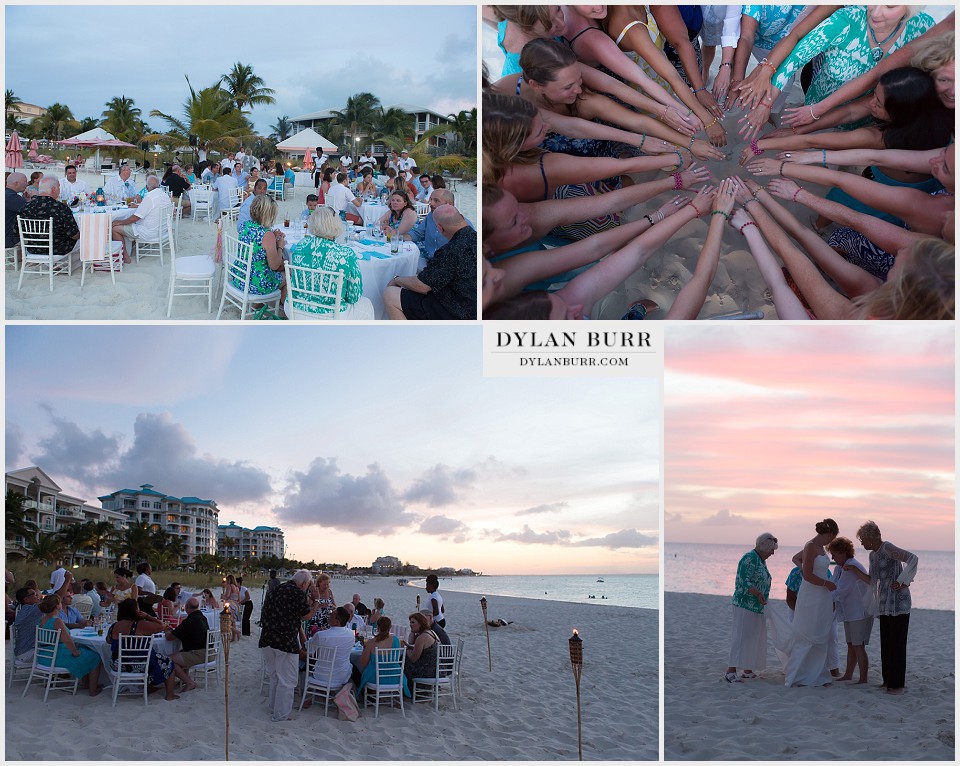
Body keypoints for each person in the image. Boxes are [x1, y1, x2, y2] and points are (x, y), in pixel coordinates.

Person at [771, 519, 840, 687]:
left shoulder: (821, 548)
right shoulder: (810, 546)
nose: (831, 541)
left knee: (821, 632)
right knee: (807, 632)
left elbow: (802, 562)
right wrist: (826, 583)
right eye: (832, 537)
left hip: (822, 597)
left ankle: (818, 673)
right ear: (829, 533)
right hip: (811, 595)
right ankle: (801, 673)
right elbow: (807, 575)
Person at [853, 521, 917, 695]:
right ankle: (887, 680)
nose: (862, 543)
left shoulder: (887, 548)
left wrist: (903, 580)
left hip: (898, 603)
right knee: (886, 642)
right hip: (884, 604)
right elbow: (872, 580)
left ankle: (896, 685)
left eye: (863, 539)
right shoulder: (873, 555)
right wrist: (854, 571)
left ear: (871, 538)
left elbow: (912, 558)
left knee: (897, 643)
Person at [384, 205, 476, 320]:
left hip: (455, 310)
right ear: (462, 217)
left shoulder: (451, 250)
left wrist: (397, 279)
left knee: (390, 294)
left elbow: (423, 286)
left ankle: (406, 336)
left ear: (440, 228)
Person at [259, 570, 322, 722]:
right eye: (308, 586)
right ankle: (281, 715)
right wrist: (316, 601)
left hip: (267, 638)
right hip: (285, 641)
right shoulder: (296, 593)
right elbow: (306, 615)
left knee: (275, 676)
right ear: (304, 584)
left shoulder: (275, 590)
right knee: (287, 681)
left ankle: (274, 708)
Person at [288, 206, 370, 318]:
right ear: (336, 225)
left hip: (295, 309)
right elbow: (354, 296)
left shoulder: (301, 245)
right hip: (329, 314)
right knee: (367, 305)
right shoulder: (346, 254)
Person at [107, 597, 193, 700]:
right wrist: (148, 616)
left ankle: (150, 687)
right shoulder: (140, 625)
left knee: (153, 658)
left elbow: (108, 640)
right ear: (135, 611)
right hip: (140, 665)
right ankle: (169, 694)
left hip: (118, 664)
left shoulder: (114, 626)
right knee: (169, 662)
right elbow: (162, 625)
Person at [725, 532, 777, 683]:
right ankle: (731, 670)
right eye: (771, 549)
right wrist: (757, 593)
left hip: (756, 606)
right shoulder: (749, 558)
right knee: (741, 636)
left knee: (752, 636)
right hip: (745, 603)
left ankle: (747, 669)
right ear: (764, 547)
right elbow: (743, 581)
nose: (773, 553)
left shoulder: (760, 560)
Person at [826, 537, 872, 684]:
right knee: (851, 644)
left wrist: (824, 601)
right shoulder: (839, 568)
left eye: (834, 554)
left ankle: (863, 678)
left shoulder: (852, 566)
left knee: (858, 645)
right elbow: (832, 585)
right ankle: (848, 674)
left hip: (859, 612)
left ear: (843, 552)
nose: (832, 557)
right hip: (848, 612)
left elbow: (840, 591)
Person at [36, 595, 102, 696]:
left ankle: (85, 684)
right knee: (95, 656)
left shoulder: (42, 619)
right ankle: (93, 690)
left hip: (44, 655)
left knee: (85, 650)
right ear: (57, 606)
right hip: (56, 656)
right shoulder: (57, 621)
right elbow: (68, 641)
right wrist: (76, 652)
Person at [485, 4, 567, 76]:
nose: (562, 24)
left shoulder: (510, 11)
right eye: (548, 26)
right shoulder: (531, 69)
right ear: (526, 28)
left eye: (558, 9)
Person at [235, 194, 286, 302]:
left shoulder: (245, 226)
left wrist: (272, 236)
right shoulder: (267, 235)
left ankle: (259, 306)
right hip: (256, 284)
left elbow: (256, 243)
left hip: (240, 277)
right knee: (289, 273)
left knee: (282, 266)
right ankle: (283, 308)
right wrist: (280, 246)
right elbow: (274, 265)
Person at [111, 175, 172, 264]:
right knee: (129, 225)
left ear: (147, 187)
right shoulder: (164, 195)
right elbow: (151, 208)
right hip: (162, 230)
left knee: (115, 228)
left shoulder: (150, 197)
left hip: (149, 233)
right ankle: (130, 248)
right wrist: (138, 206)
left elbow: (135, 218)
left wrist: (119, 222)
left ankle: (125, 257)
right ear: (158, 185)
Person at [18, 177, 80, 256]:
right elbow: (73, 235)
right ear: (53, 189)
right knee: (82, 242)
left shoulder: (25, 207)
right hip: (57, 249)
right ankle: (73, 268)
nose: (59, 190)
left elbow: (17, 232)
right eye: (59, 187)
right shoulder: (61, 208)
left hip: (33, 249)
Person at [356, 616, 410, 700]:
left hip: (376, 677)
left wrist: (365, 649)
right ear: (390, 627)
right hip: (395, 676)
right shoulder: (396, 640)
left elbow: (363, 663)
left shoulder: (372, 642)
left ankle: (371, 696)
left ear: (378, 627)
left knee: (362, 673)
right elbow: (396, 657)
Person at [306, 606, 356, 688]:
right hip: (342, 677)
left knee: (303, 654)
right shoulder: (351, 634)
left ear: (337, 622)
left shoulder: (321, 635)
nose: (329, 616)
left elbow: (308, 649)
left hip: (321, 676)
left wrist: (300, 629)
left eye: (331, 615)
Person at [164, 596, 208, 676]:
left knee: (167, 660)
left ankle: (188, 682)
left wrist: (167, 629)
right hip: (209, 652)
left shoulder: (189, 621)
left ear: (187, 607)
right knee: (181, 652)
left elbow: (169, 637)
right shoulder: (203, 618)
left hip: (199, 654)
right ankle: (185, 678)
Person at [12, 585, 45, 663]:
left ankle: (59, 673)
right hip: (26, 653)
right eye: (34, 594)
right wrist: (67, 580)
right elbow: (52, 601)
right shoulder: (31, 611)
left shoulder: (25, 610)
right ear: (26, 599)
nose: (37, 595)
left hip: (22, 651)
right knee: (61, 651)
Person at [403, 611, 439, 681]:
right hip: (436, 670)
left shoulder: (422, 637)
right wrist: (409, 645)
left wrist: (406, 648)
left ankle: (404, 690)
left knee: (401, 663)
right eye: (410, 622)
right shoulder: (431, 632)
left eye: (413, 622)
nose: (410, 625)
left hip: (427, 673)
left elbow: (413, 659)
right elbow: (423, 649)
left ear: (420, 623)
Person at [305, 573, 336, 637]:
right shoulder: (314, 591)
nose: (326, 586)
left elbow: (334, 605)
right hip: (315, 619)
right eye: (324, 584)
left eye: (328, 584)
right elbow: (308, 605)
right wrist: (318, 605)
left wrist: (331, 607)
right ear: (319, 583)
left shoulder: (329, 592)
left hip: (327, 620)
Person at [5, 171, 27, 248]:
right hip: (8, 238)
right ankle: (23, 259)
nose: (27, 184)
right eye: (25, 181)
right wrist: (34, 197)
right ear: (16, 183)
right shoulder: (12, 198)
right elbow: (32, 211)